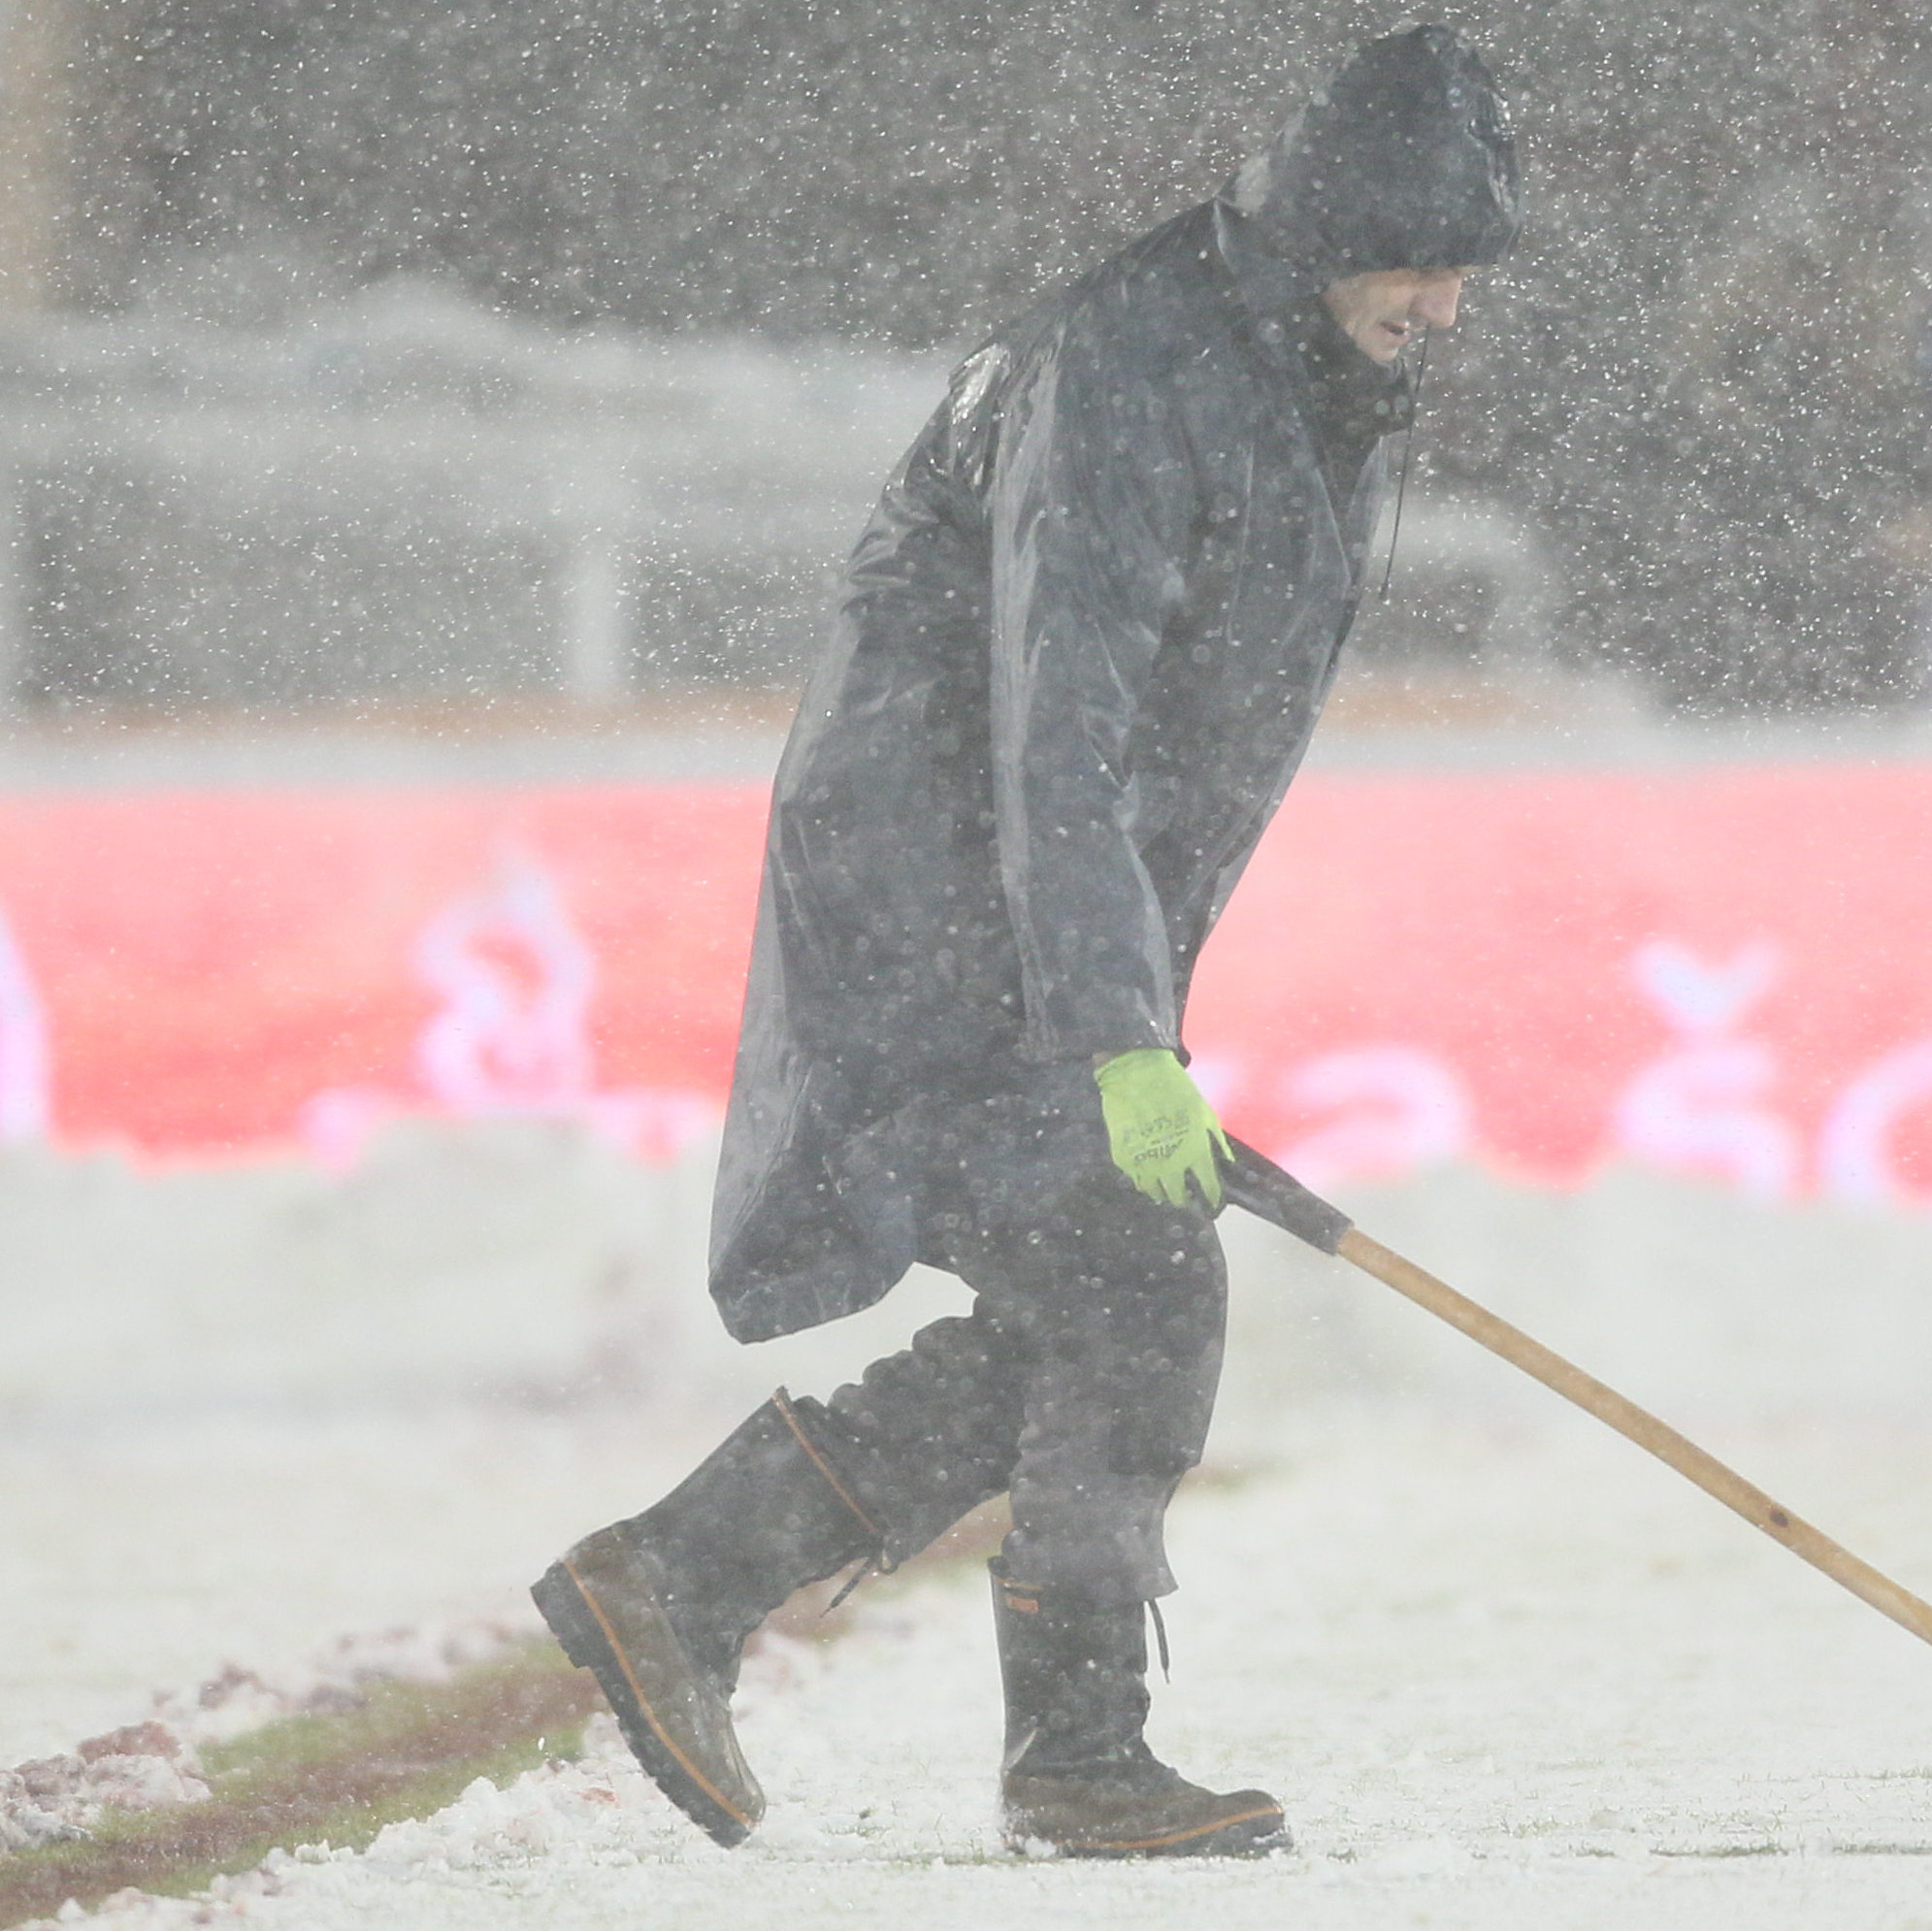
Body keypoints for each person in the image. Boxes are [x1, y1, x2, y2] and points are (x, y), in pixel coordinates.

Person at [529, 24, 1516, 1860]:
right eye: (1422, 262)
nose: (1446, 303)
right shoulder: (1137, 365)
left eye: (1465, 269)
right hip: (943, 900)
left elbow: (1148, 754)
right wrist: (1116, 1033)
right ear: (1331, 239)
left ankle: (691, 1575)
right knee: (1134, 1281)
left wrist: (1130, 1004)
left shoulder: (1286, 374)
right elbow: (1059, 729)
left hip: (1016, 908)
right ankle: (1051, 1750)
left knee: (1099, 1294)